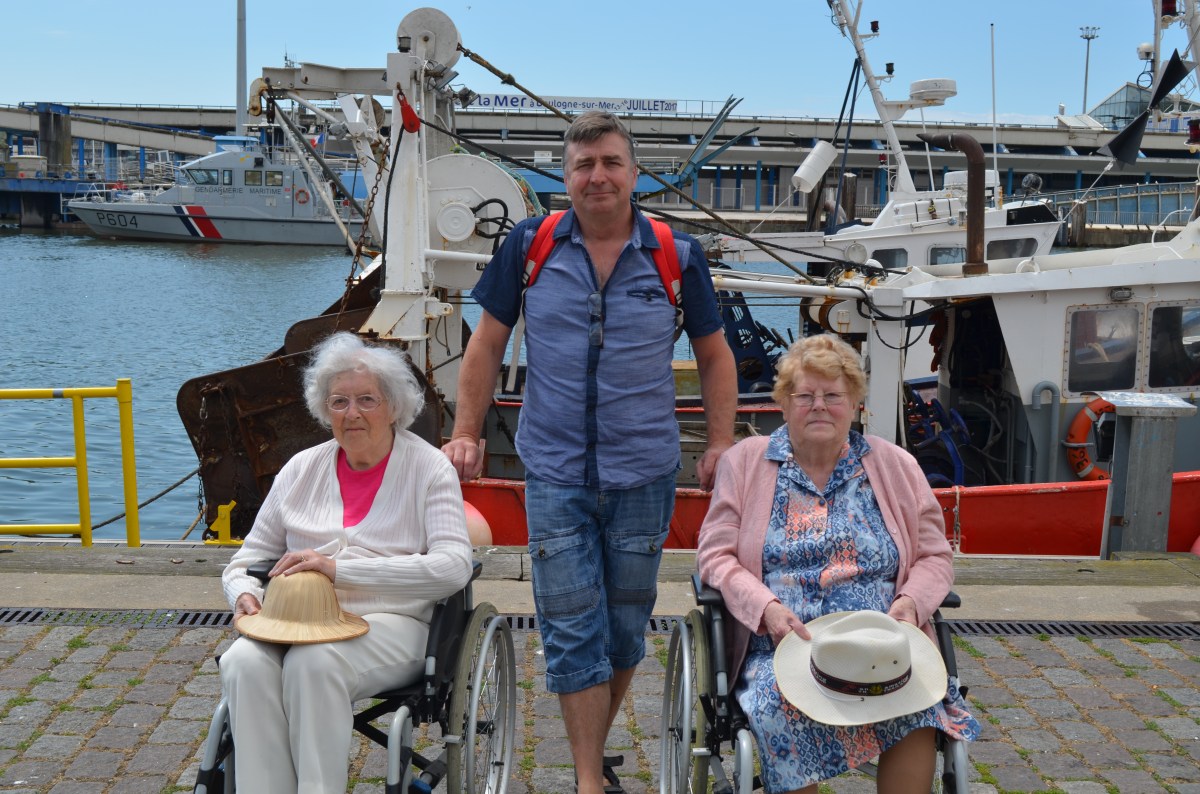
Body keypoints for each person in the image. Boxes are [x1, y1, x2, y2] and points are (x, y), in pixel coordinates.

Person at [443, 110, 737, 794]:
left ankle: (590, 753)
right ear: (566, 178)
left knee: (625, 630)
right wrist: (466, 432)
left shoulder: (676, 254)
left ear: (633, 173)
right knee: (574, 631)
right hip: (555, 472)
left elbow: (715, 356)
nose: (597, 176)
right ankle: (586, 781)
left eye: (609, 163)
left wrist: (722, 442)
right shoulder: (531, 244)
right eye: (583, 166)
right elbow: (485, 344)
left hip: (645, 473)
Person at [697, 334, 978, 794]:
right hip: (784, 647)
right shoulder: (745, 463)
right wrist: (764, 607)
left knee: (918, 705)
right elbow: (715, 553)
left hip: (878, 642)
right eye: (804, 396)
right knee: (774, 706)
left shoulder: (896, 466)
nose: (819, 407)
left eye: (833, 396)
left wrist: (910, 605)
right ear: (783, 404)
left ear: (855, 405)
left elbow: (934, 556)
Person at [219, 331, 474, 794]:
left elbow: (453, 567)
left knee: (314, 664)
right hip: (295, 619)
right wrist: (246, 595)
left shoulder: (429, 468)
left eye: (366, 400)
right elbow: (243, 563)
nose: (352, 413)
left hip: (392, 622)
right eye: (338, 401)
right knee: (243, 662)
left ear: (394, 407)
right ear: (324, 410)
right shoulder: (299, 469)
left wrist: (338, 570)